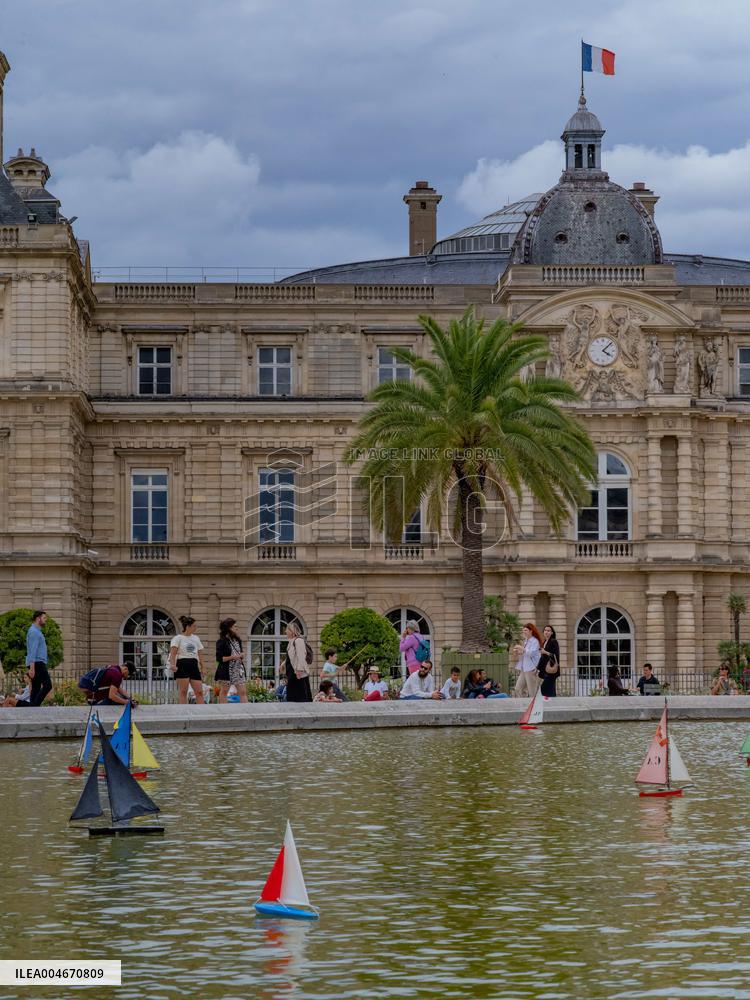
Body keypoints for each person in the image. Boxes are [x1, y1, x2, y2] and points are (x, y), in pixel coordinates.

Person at [169, 616, 206, 705]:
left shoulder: (196, 638)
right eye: (194, 626)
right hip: (182, 664)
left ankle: (202, 711)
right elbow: (173, 653)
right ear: (188, 627)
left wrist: (203, 667)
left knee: (199, 692)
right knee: (183, 692)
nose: (195, 628)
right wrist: (172, 665)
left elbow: (200, 654)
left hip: (194, 665)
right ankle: (183, 711)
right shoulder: (178, 638)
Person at [215, 618, 247, 704]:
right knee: (224, 691)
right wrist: (233, 657)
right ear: (229, 628)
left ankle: (246, 710)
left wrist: (242, 655)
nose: (237, 628)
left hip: (238, 669)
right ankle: (223, 710)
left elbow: (240, 653)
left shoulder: (237, 640)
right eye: (234, 626)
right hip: (227, 669)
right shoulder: (221, 641)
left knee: (242, 692)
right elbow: (219, 658)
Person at [26, 610, 52, 707]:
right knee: (48, 685)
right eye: (44, 618)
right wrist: (32, 668)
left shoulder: (36, 631)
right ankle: (34, 707)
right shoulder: (34, 632)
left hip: (37, 663)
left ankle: (32, 709)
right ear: (38, 619)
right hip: (37, 663)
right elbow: (33, 651)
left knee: (36, 689)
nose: (45, 620)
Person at [284, 622, 312, 702]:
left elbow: (301, 656)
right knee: (292, 696)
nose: (286, 631)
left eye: (287, 629)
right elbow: (291, 657)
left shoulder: (298, 640)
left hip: (297, 673)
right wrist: (283, 664)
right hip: (292, 672)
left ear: (292, 631)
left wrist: (299, 670)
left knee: (300, 696)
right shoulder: (291, 642)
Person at [513, 623, 543, 698]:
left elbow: (531, 653)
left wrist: (521, 648)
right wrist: (518, 652)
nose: (524, 632)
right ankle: (524, 703)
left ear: (531, 631)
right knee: (518, 689)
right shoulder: (526, 640)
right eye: (523, 630)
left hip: (531, 668)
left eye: (526, 630)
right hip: (524, 668)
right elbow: (525, 654)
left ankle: (533, 704)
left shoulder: (535, 641)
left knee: (532, 691)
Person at [537, 625, 561, 698]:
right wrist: (537, 668)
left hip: (551, 669)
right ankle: (551, 702)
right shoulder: (544, 642)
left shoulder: (553, 641)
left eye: (548, 631)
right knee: (550, 689)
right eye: (545, 630)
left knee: (544, 688)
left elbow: (556, 655)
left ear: (552, 633)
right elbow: (542, 658)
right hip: (545, 670)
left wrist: (545, 652)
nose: (546, 632)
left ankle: (551, 701)